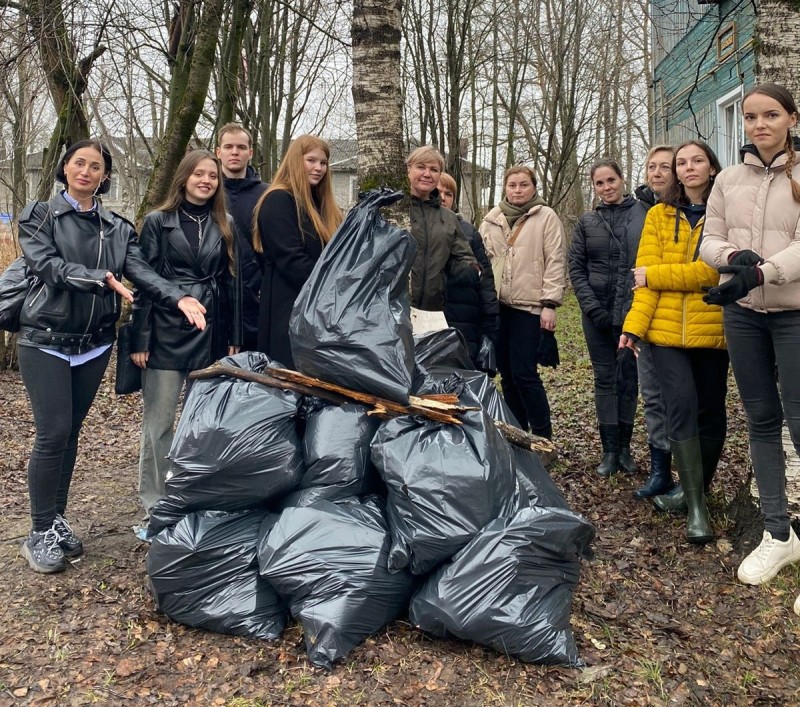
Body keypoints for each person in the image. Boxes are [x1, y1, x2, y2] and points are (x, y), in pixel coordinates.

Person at [16, 139, 206, 573]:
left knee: (69, 435)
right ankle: (39, 530)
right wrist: (98, 277)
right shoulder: (39, 215)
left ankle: (56, 519)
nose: (86, 171)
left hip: (94, 344)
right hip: (45, 338)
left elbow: (139, 271)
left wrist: (177, 298)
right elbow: (47, 266)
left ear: (104, 176)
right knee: (52, 432)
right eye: (79, 163)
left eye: (96, 167)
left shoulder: (117, 226)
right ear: (65, 168)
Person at [701, 83, 800, 586]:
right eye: (751, 117)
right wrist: (733, 260)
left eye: (770, 115)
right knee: (762, 419)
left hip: (794, 313)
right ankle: (779, 534)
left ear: (791, 118)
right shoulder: (728, 179)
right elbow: (710, 238)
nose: (760, 125)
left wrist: (764, 272)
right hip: (742, 314)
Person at [620, 140, 728, 544]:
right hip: (664, 332)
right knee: (679, 405)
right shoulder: (659, 215)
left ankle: (691, 491)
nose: (688, 168)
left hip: (714, 328)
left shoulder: (725, 212)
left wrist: (659, 275)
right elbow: (641, 280)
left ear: (712, 167)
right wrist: (633, 327)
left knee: (711, 411)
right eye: (681, 163)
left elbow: (714, 272)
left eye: (696, 160)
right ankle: (697, 509)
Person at [130, 149, 242, 529]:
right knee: (159, 424)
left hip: (208, 332)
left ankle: (191, 495)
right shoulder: (158, 221)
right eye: (199, 174)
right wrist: (140, 338)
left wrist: (233, 335)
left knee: (201, 426)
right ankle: (154, 502)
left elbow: (232, 285)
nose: (206, 180)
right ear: (184, 178)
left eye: (212, 175)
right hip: (163, 331)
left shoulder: (225, 222)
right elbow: (143, 282)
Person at [480, 166, 566, 439]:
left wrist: (549, 304)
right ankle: (518, 434)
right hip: (498, 308)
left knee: (524, 374)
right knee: (506, 375)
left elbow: (555, 260)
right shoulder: (491, 219)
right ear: (504, 188)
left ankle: (543, 436)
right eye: (512, 185)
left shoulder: (545, 217)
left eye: (523, 185)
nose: (517, 190)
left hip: (529, 308)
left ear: (534, 187)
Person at [569, 160, 640, 475]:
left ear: (622, 180)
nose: (607, 187)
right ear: (594, 187)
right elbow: (576, 267)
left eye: (611, 180)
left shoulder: (642, 214)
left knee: (628, 378)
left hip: (632, 314)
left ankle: (625, 448)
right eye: (600, 183)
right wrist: (591, 306)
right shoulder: (587, 222)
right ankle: (609, 451)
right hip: (596, 314)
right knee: (604, 378)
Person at [614, 145, 677, 498]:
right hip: (643, 316)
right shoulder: (636, 213)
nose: (656, 172)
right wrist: (632, 321)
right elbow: (630, 271)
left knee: (684, 399)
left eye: (664, 166)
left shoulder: (695, 209)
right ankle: (660, 470)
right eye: (651, 166)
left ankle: (693, 476)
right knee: (652, 398)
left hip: (683, 318)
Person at [253, 135, 342, 369]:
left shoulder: (323, 206)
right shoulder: (278, 200)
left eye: (323, 163)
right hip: (287, 311)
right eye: (311, 160)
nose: (319, 168)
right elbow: (291, 260)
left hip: (319, 312)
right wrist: (335, 288)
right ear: (295, 161)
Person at [437, 172, 499, 369]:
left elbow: (486, 278)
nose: (443, 197)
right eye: (438, 191)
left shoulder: (469, 232)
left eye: (449, 194)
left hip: (466, 317)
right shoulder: (416, 224)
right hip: (433, 315)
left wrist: (491, 320)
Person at [406, 146, 479, 312]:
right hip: (394, 310)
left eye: (434, 169)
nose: (427, 174)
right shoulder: (394, 210)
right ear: (409, 169)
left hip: (433, 311)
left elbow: (465, 258)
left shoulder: (448, 218)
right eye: (421, 167)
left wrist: (463, 271)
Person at [217, 123, 268, 351]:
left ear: (251, 152)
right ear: (219, 152)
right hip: (213, 302)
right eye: (228, 147)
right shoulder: (205, 191)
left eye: (240, 147)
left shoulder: (268, 195)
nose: (234, 152)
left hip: (255, 305)